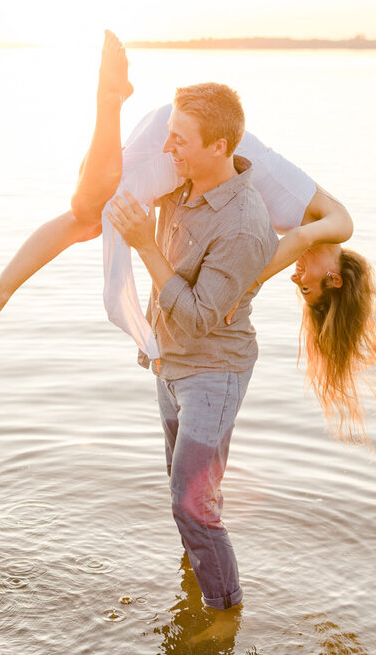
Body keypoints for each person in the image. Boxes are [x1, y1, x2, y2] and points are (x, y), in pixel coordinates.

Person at [0, 31, 376, 443]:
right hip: (199, 143)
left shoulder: (301, 219)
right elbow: (287, 248)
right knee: (91, 209)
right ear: (336, 278)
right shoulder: (339, 224)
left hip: (197, 144)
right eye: (307, 286)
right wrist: (248, 286)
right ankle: (110, 102)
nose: (297, 278)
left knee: (91, 215)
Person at [108, 80, 275, 612]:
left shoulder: (244, 224)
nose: (168, 148)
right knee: (188, 496)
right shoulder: (179, 185)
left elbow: (201, 317)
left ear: (219, 147)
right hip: (170, 364)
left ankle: (223, 613)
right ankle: (194, 584)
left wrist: (144, 245)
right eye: (169, 135)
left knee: (191, 503)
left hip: (214, 372)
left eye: (180, 139)